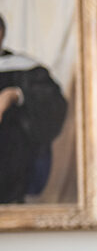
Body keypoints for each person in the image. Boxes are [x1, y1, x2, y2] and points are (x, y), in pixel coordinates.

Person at [0, 13, 68, 203]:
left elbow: (53, 104)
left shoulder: (25, 68)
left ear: (1, 33)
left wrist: (15, 94)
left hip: (10, 165)